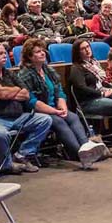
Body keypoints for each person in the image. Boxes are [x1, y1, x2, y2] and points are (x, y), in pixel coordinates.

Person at [18, 39, 107, 168]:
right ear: (30, 57)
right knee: (59, 121)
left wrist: (63, 107)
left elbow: (60, 92)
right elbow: (32, 102)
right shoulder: (24, 74)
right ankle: (79, 154)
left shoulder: (48, 71)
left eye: (43, 50)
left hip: (55, 108)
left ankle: (86, 148)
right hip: (38, 111)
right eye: (38, 52)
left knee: (72, 117)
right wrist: (55, 111)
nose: (43, 53)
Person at [0, 42, 53, 174]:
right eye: (0, 54)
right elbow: (2, 94)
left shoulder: (9, 74)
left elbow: (25, 94)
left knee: (44, 120)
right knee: (1, 134)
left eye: (5, 53)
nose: (5, 56)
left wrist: (8, 92)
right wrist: (14, 90)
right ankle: (5, 165)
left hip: (16, 116)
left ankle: (22, 154)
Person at [68, 39, 112, 155]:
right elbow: (82, 89)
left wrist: (110, 87)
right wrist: (101, 93)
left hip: (100, 96)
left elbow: (103, 83)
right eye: (83, 48)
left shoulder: (94, 64)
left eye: (88, 47)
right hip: (88, 102)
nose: (87, 50)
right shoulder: (76, 68)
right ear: (77, 52)